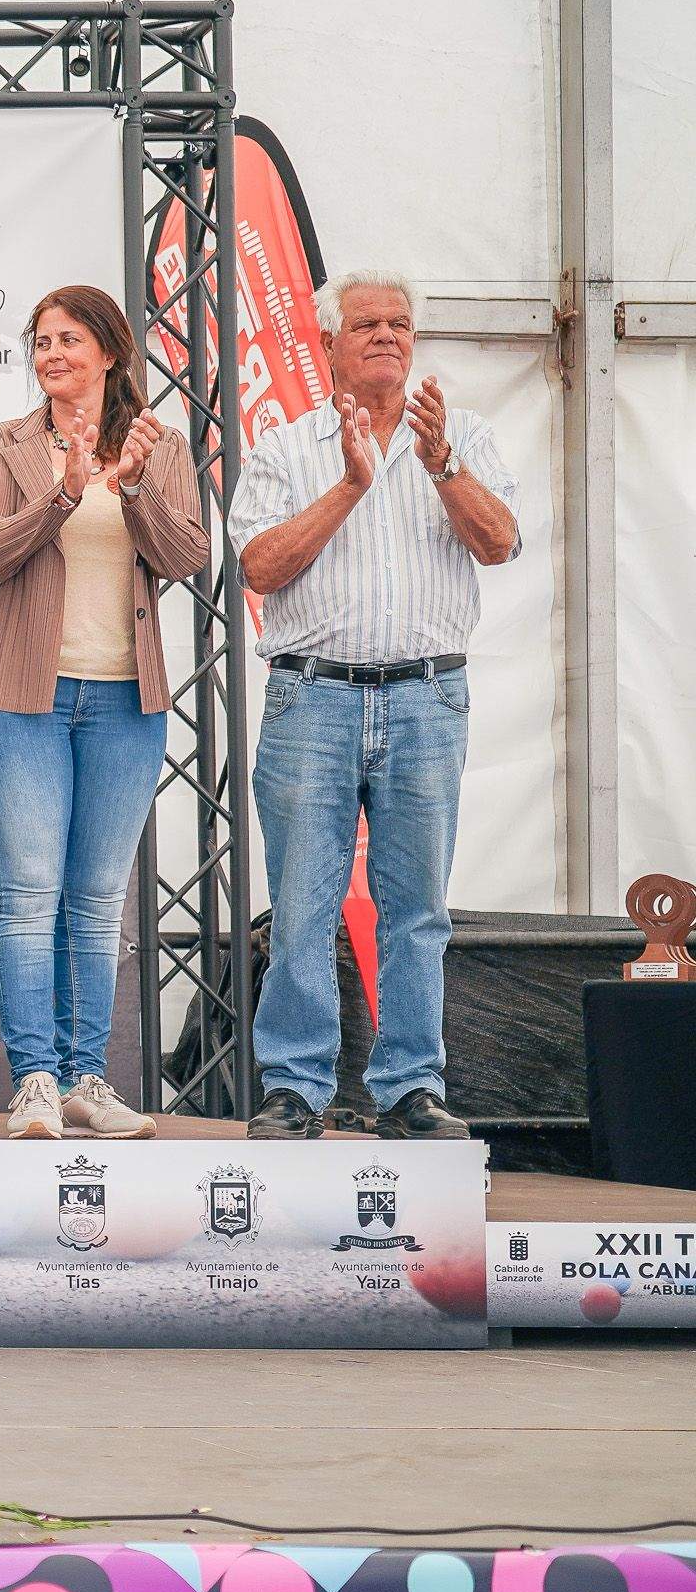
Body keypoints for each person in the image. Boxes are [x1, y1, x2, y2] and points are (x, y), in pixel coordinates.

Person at [232, 271, 518, 1141]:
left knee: (418, 906)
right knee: (302, 902)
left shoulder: (460, 435)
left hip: (427, 695)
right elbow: (259, 567)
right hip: (312, 696)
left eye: (400, 324)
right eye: (367, 324)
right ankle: (296, 1086)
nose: (388, 336)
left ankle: (408, 1089)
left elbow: (500, 541)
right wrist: (351, 485)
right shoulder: (286, 447)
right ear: (328, 346)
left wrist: (443, 469)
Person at [0, 286, 210, 1140]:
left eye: (68, 340)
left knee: (97, 900)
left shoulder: (159, 445)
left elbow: (190, 556)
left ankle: (87, 1080)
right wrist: (61, 496)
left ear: (109, 352)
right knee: (26, 895)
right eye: (41, 341)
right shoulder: (4, 444)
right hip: (10, 697)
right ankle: (33, 1080)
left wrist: (129, 489)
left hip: (123, 701)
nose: (51, 354)